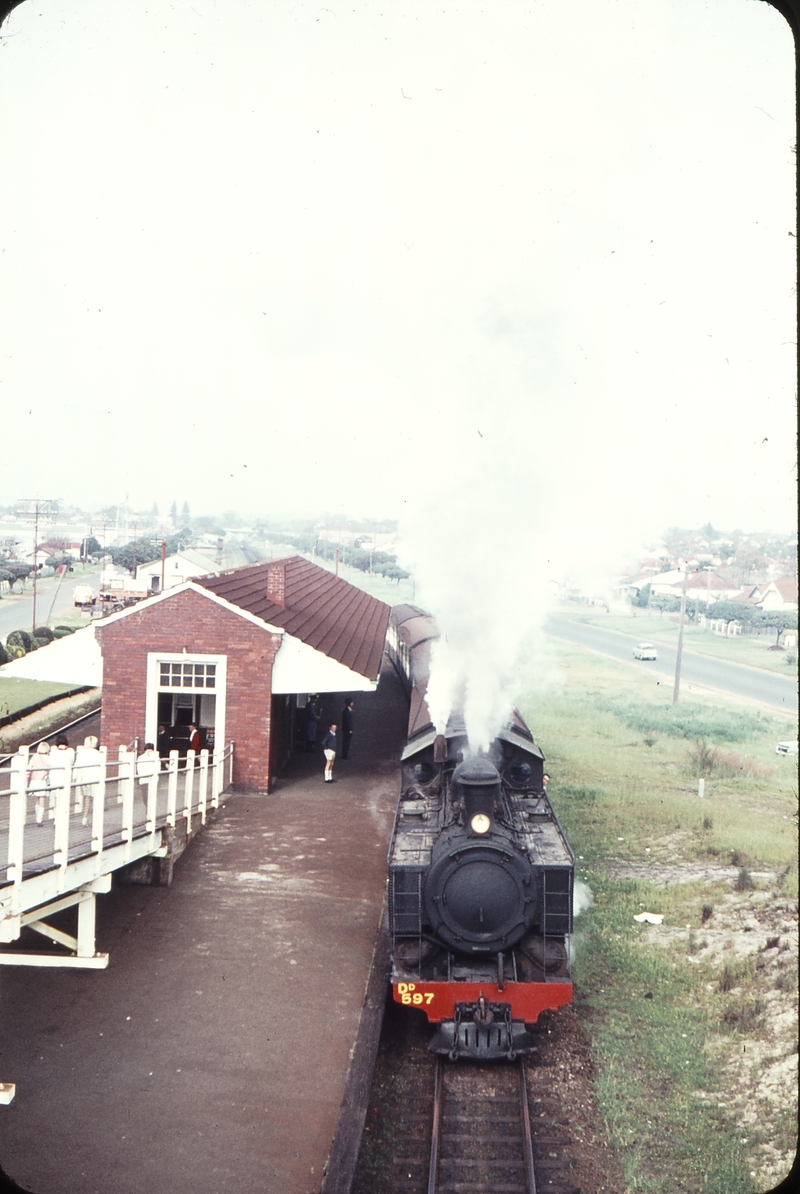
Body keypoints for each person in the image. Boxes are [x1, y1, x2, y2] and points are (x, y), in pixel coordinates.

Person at [74, 734, 103, 826]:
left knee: (87, 797)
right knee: (95, 797)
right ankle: (94, 818)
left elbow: (77, 765)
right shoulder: (97, 753)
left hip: (83, 777)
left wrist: (74, 778)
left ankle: (85, 818)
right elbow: (100, 766)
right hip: (94, 777)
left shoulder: (82, 752)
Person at [27, 741, 51, 826]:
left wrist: (26, 777)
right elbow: (50, 769)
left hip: (34, 781)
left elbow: (29, 768)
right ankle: (39, 819)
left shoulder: (35, 756)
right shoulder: (48, 757)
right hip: (43, 781)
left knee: (37, 800)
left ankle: (37, 817)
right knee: (42, 800)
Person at [49, 735, 75, 809]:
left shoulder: (54, 751)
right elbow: (72, 761)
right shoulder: (70, 751)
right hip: (66, 776)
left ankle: (56, 815)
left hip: (55, 776)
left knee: (55, 797)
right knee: (64, 797)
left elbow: (49, 762)